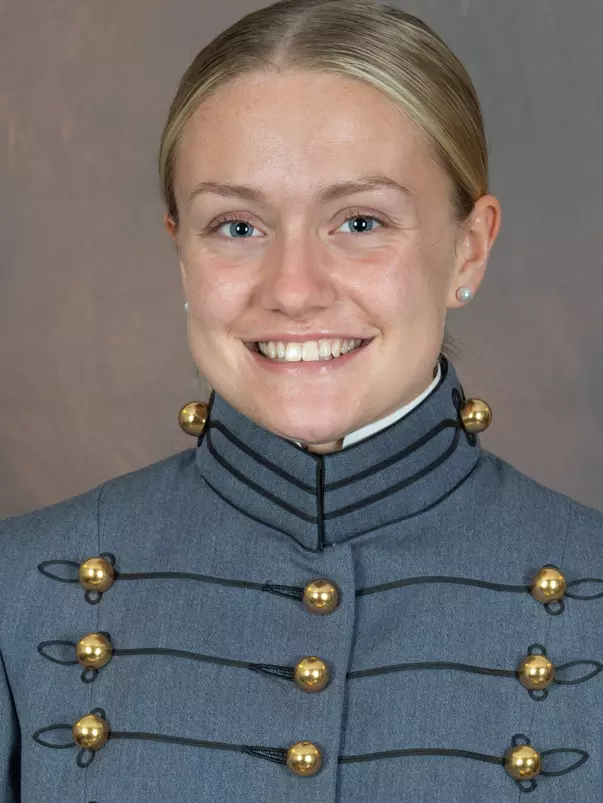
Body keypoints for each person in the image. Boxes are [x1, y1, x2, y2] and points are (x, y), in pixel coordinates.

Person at [1, 0, 602, 800]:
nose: (292, 290)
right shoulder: (17, 592)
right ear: (180, 250)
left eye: (358, 220)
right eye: (237, 227)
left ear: (469, 247)